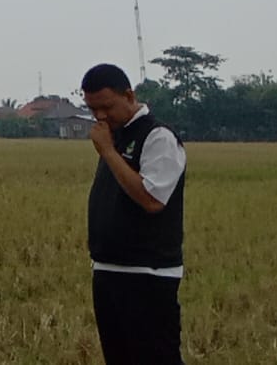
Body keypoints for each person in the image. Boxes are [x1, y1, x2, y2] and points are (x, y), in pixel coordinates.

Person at [81, 63, 187, 365]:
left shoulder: (158, 137)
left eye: (106, 107)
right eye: (92, 109)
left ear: (129, 95)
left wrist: (110, 153)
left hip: (148, 275)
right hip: (107, 270)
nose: (100, 116)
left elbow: (152, 199)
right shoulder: (113, 134)